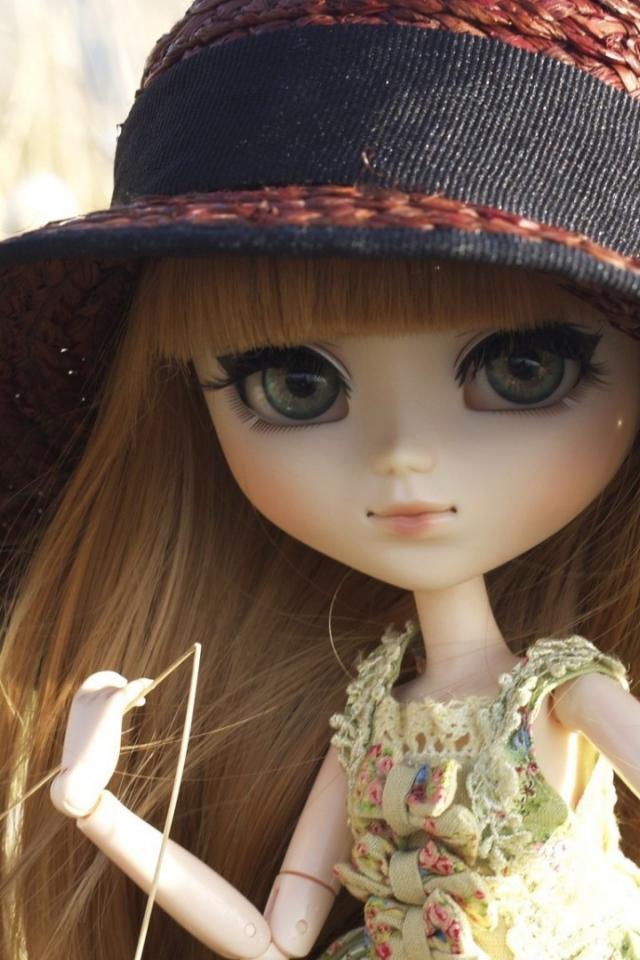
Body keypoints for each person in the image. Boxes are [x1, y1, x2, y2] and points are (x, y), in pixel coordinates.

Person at [1, 4, 640, 960]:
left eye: (523, 371)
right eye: (296, 386)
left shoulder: (564, 693)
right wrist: (93, 805)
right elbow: (276, 938)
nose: (402, 455)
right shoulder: (369, 721)